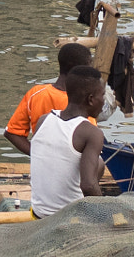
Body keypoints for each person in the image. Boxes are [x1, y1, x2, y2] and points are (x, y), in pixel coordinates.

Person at [28, 65, 107, 217]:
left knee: (99, 164)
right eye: (102, 95)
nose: (103, 101)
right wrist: (105, 216)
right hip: (68, 221)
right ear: (91, 99)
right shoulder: (92, 133)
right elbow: (89, 186)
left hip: (38, 213)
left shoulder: (43, 120)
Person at [3, 42, 91, 156]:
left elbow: (12, 133)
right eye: (89, 65)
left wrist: (39, 156)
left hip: (43, 167)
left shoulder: (36, 93)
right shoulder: (83, 99)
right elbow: (90, 143)